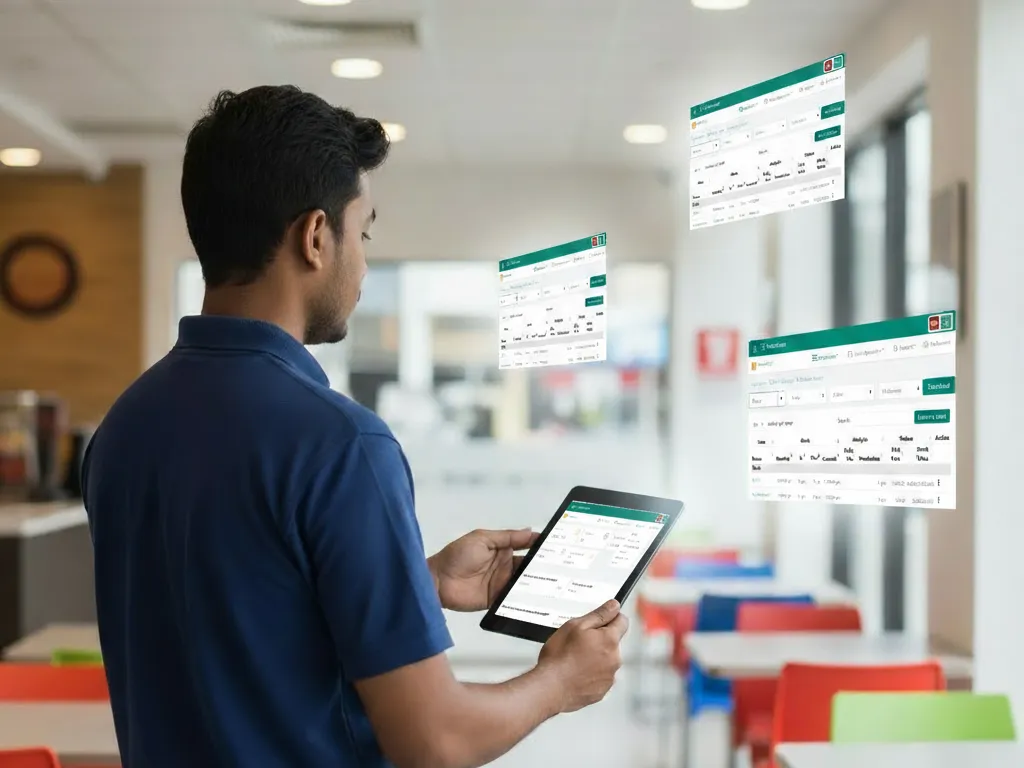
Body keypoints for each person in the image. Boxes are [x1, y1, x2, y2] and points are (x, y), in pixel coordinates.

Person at [82, 84, 629, 768]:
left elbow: (230, 615)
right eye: (362, 233)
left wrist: (414, 584)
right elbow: (435, 739)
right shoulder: (341, 443)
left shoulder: (124, 429)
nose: (364, 264)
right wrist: (559, 682)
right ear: (316, 236)